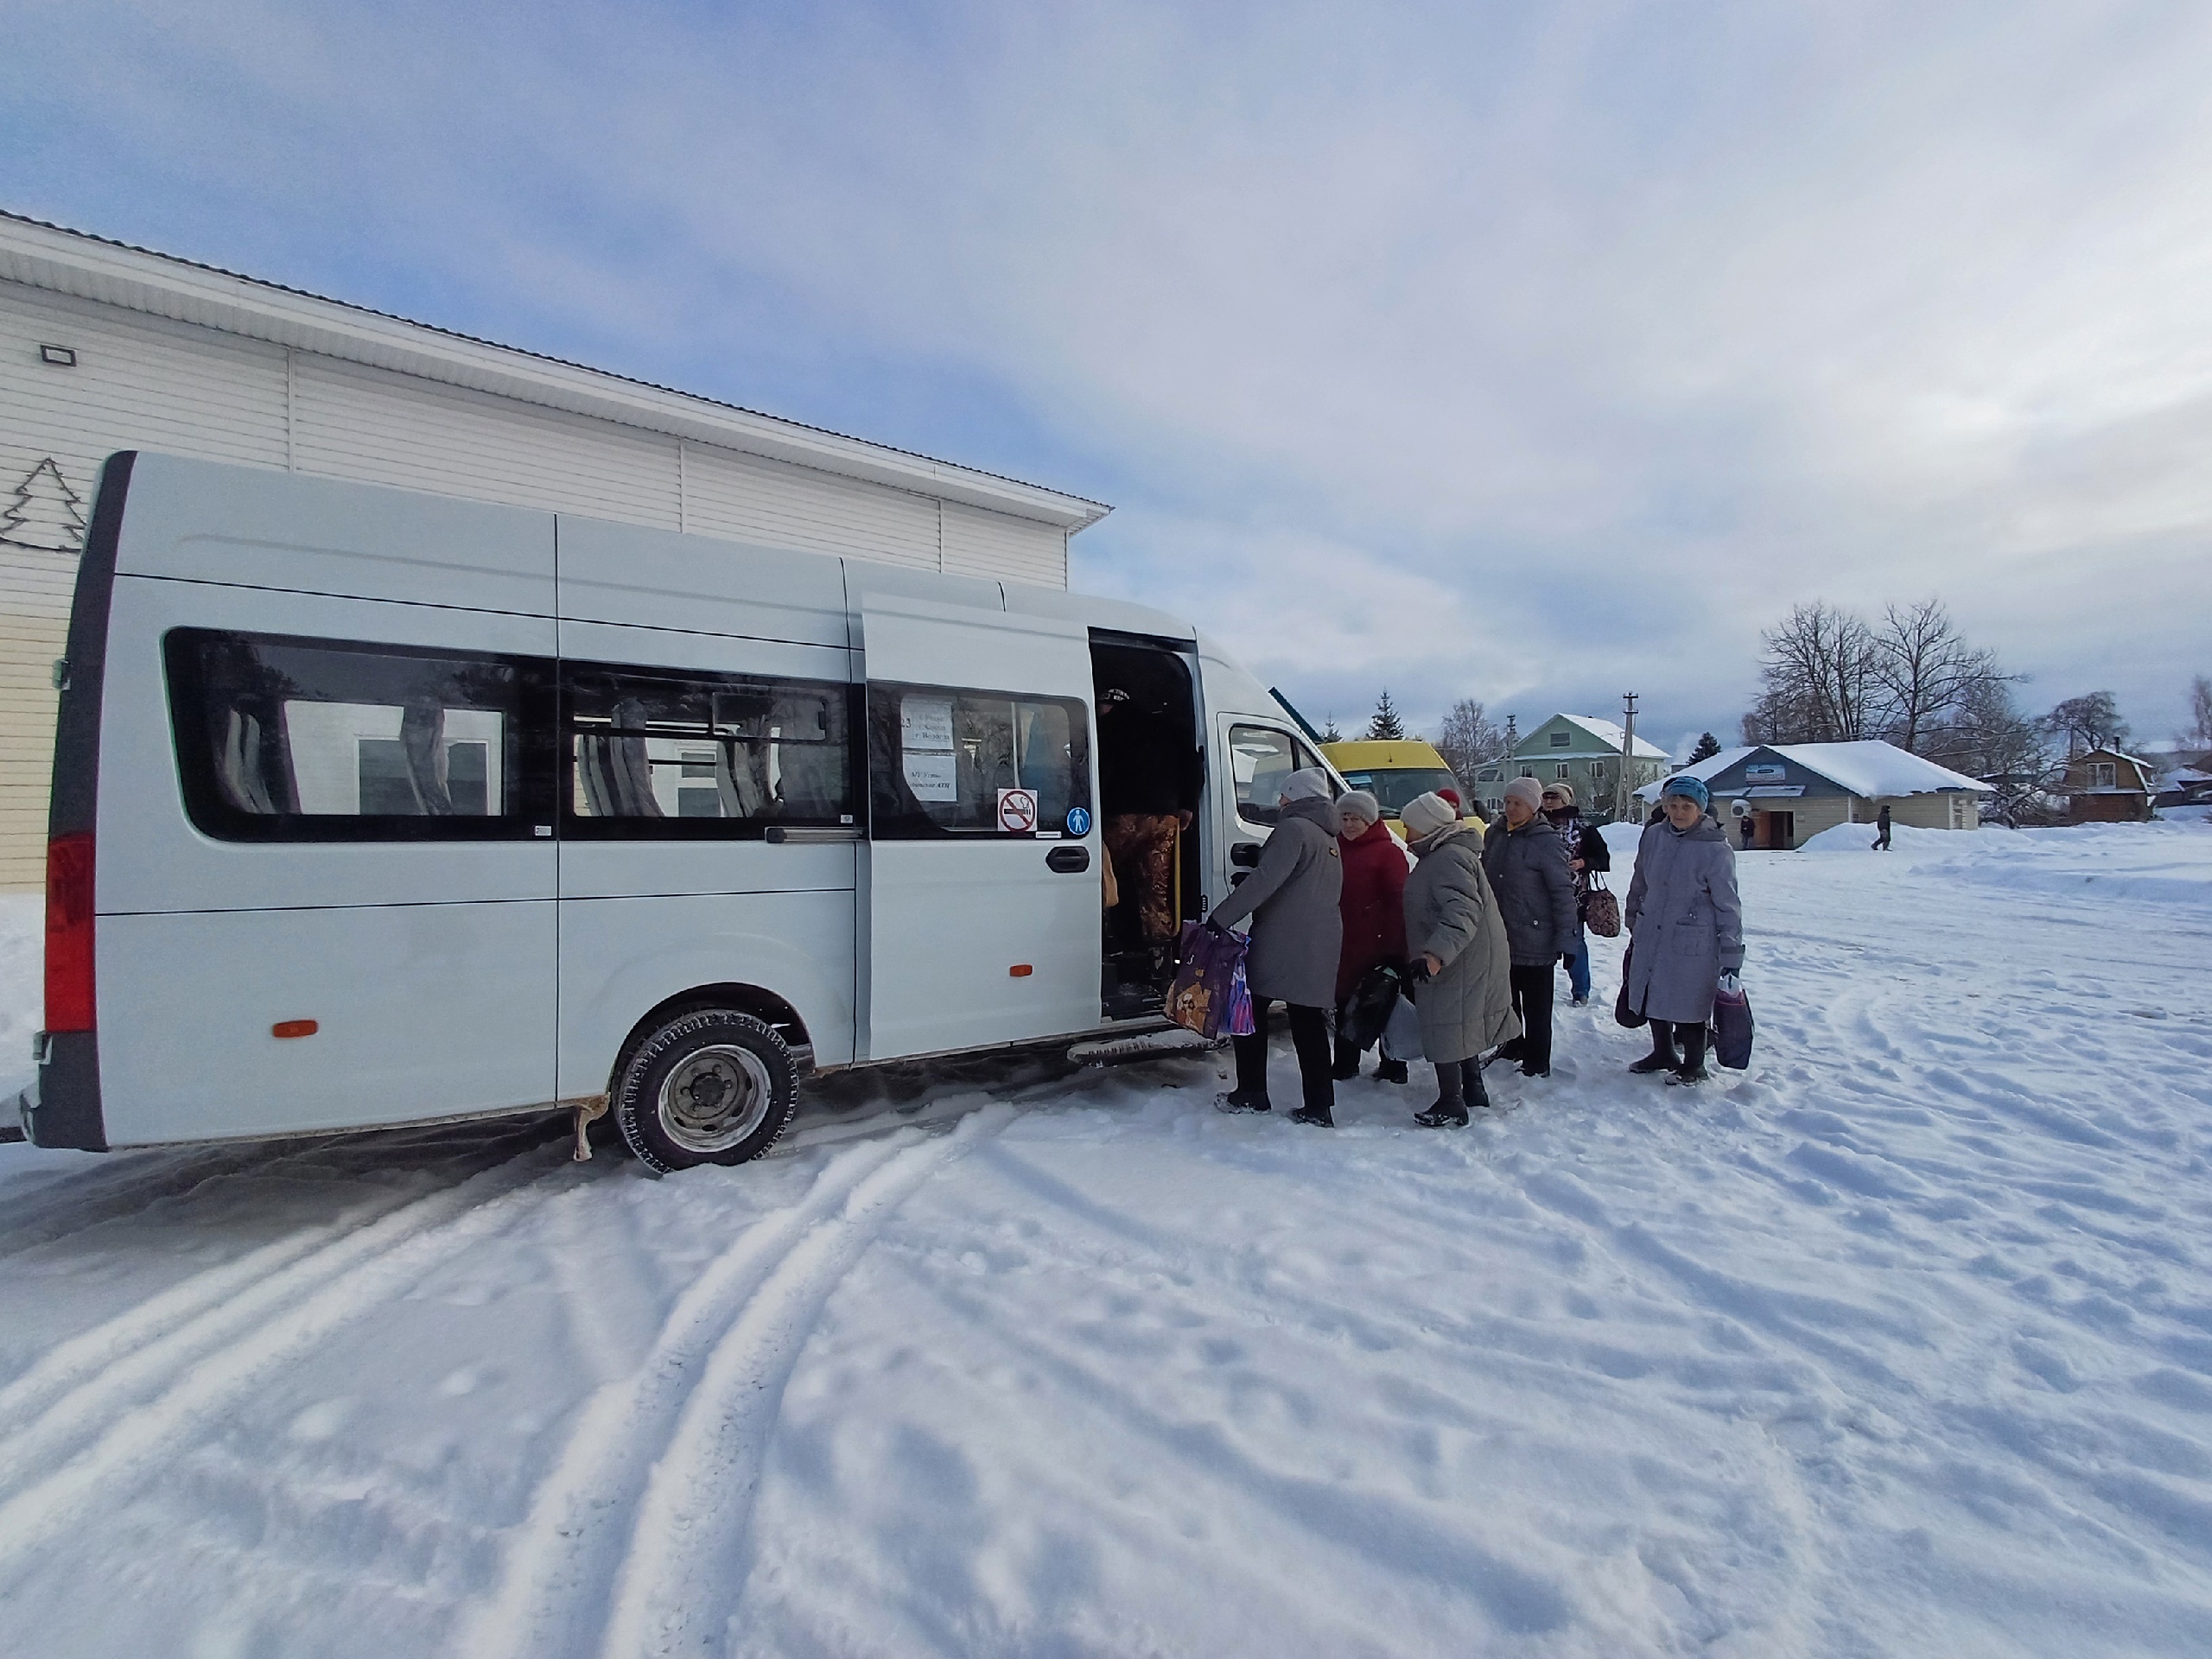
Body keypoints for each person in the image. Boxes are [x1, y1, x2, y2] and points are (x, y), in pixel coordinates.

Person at [1209, 768, 1344, 1125]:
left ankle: (1252, 1092)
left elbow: (1267, 881)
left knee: (1249, 1011)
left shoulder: (1292, 828)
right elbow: (1297, 879)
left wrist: (1221, 918)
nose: (1280, 801)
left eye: (1284, 794)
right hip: (1319, 939)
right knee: (1308, 1022)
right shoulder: (1326, 835)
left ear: (1297, 796)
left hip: (1283, 938)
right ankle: (1319, 1105)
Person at [1399, 791, 1517, 1125]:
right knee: (1459, 1024)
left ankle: (1451, 1102)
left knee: (1446, 1025)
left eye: (1411, 828)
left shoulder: (1448, 858)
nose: (1407, 835)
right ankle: (1473, 1090)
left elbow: (1463, 912)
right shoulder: (1445, 854)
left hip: (1456, 956)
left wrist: (1435, 954)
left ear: (1427, 827)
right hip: (1463, 954)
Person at [1623, 774, 1745, 1084]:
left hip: (1693, 939)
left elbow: (1728, 904)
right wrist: (1634, 917)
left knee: (1689, 1003)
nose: (1677, 812)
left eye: (1686, 806)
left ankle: (1694, 1064)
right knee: (1652, 993)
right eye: (1672, 805)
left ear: (1700, 810)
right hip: (1652, 929)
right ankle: (1662, 1052)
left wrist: (1731, 952)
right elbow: (1640, 880)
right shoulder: (1653, 836)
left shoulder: (1715, 849)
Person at [1480, 776, 1579, 1077]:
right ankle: (1512, 1044)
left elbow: (1562, 892)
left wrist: (1567, 939)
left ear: (1533, 807)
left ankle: (1538, 1060)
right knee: (1505, 997)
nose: (1511, 808)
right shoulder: (1495, 834)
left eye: (1518, 803)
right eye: (1507, 802)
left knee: (1537, 1006)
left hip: (1537, 936)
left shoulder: (1545, 840)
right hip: (1502, 933)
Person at [1098, 688, 1200, 951]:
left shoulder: (1108, 728)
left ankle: (1110, 945)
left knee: (1102, 877)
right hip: (1164, 818)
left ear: (1109, 705)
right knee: (1154, 887)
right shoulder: (1167, 728)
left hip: (1123, 816)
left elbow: (1102, 770)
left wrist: (1095, 806)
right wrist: (1186, 806)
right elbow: (1193, 764)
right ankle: (1159, 959)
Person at [1332, 791, 1409, 1084]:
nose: (1350, 825)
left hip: (1378, 942)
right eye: (1345, 818)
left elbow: (1399, 900)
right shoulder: (1335, 848)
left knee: (1384, 1003)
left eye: (1357, 819)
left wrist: (1394, 945)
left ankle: (1393, 1064)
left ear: (1370, 820)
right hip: (1344, 939)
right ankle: (1345, 1062)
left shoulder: (1387, 852)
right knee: (1344, 1001)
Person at [1540, 780, 1611, 1007]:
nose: (1549, 801)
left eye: (1554, 797)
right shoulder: (1534, 824)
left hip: (1574, 896)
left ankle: (1581, 990)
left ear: (1565, 800)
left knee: (1576, 942)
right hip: (1538, 894)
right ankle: (1540, 990)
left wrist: (1583, 862)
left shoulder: (1584, 827)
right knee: (1540, 944)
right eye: (1546, 797)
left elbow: (1603, 859)